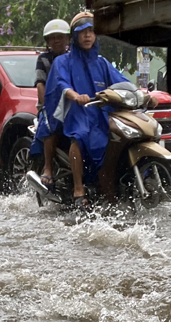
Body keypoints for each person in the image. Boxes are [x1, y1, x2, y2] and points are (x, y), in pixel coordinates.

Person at [43, 12, 129, 210]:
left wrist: (144, 95)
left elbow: (122, 82)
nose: (88, 36)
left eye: (91, 31)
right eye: (83, 32)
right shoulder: (62, 61)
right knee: (79, 135)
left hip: (100, 112)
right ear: (75, 36)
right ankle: (78, 188)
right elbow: (62, 84)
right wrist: (75, 96)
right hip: (74, 112)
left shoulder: (102, 62)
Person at [30, 18, 70, 191]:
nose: (57, 40)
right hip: (51, 106)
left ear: (68, 39)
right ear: (47, 42)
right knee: (51, 125)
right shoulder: (44, 59)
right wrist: (46, 105)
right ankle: (48, 167)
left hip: (72, 104)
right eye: (52, 38)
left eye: (60, 36)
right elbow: (40, 84)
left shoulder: (73, 58)